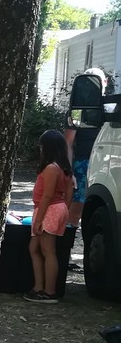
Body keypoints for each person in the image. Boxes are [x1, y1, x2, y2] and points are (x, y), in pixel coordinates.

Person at [24, 130, 74, 304]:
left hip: (48, 210)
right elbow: (69, 193)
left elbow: (47, 195)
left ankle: (49, 291)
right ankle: (38, 287)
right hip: (51, 210)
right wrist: (64, 210)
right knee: (34, 248)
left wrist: (40, 220)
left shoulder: (52, 168)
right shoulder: (64, 169)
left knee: (48, 250)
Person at [64, 69, 106, 226]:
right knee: (75, 211)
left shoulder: (111, 109)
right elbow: (68, 142)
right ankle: (65, 246)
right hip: (83, 164)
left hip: (106, 163)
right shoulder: (76, 111)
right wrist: (69, 172)